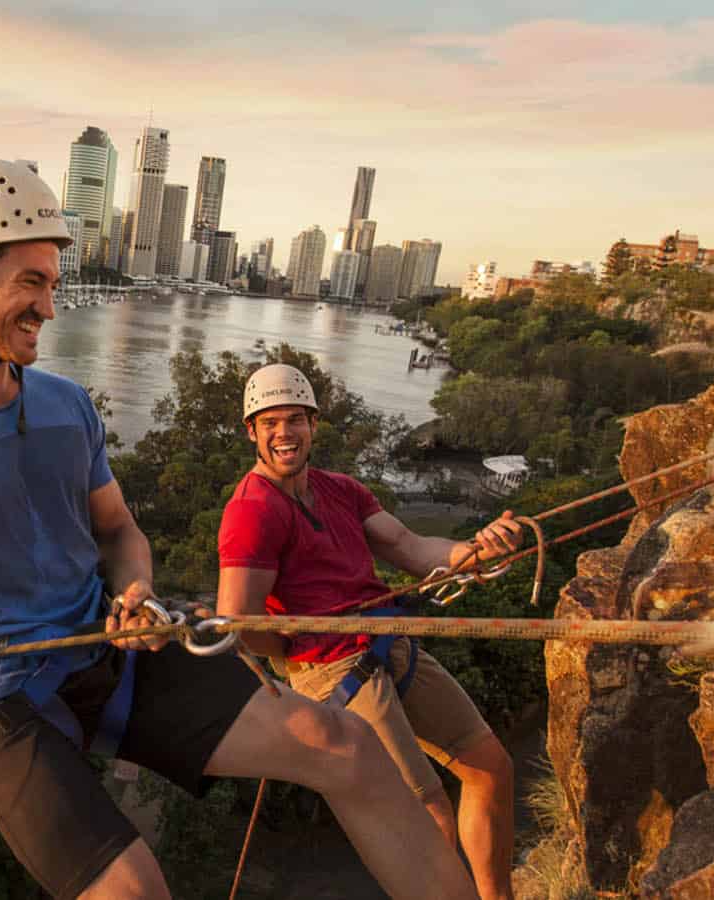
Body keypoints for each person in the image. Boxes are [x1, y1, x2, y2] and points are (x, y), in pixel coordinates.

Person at [0, 159, 474, 900]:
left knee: (342, 743)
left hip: (109, 647)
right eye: (31, 283)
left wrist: (133, 594)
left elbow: (119, 530)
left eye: (53, 284)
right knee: (133, 894)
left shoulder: (66, 406)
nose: (50, 308)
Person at [216, 362, 521, 900]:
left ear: (313, 425)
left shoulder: (342, 492)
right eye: (270, 423)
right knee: (426, 817)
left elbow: (409, 548)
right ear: (252, 433)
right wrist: (297, 653)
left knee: (489, 766)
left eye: (295, 420)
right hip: (333, 670)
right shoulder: (252, 512)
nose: (284, 433)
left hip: (387, 643)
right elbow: (239, 623)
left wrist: (474, 552)